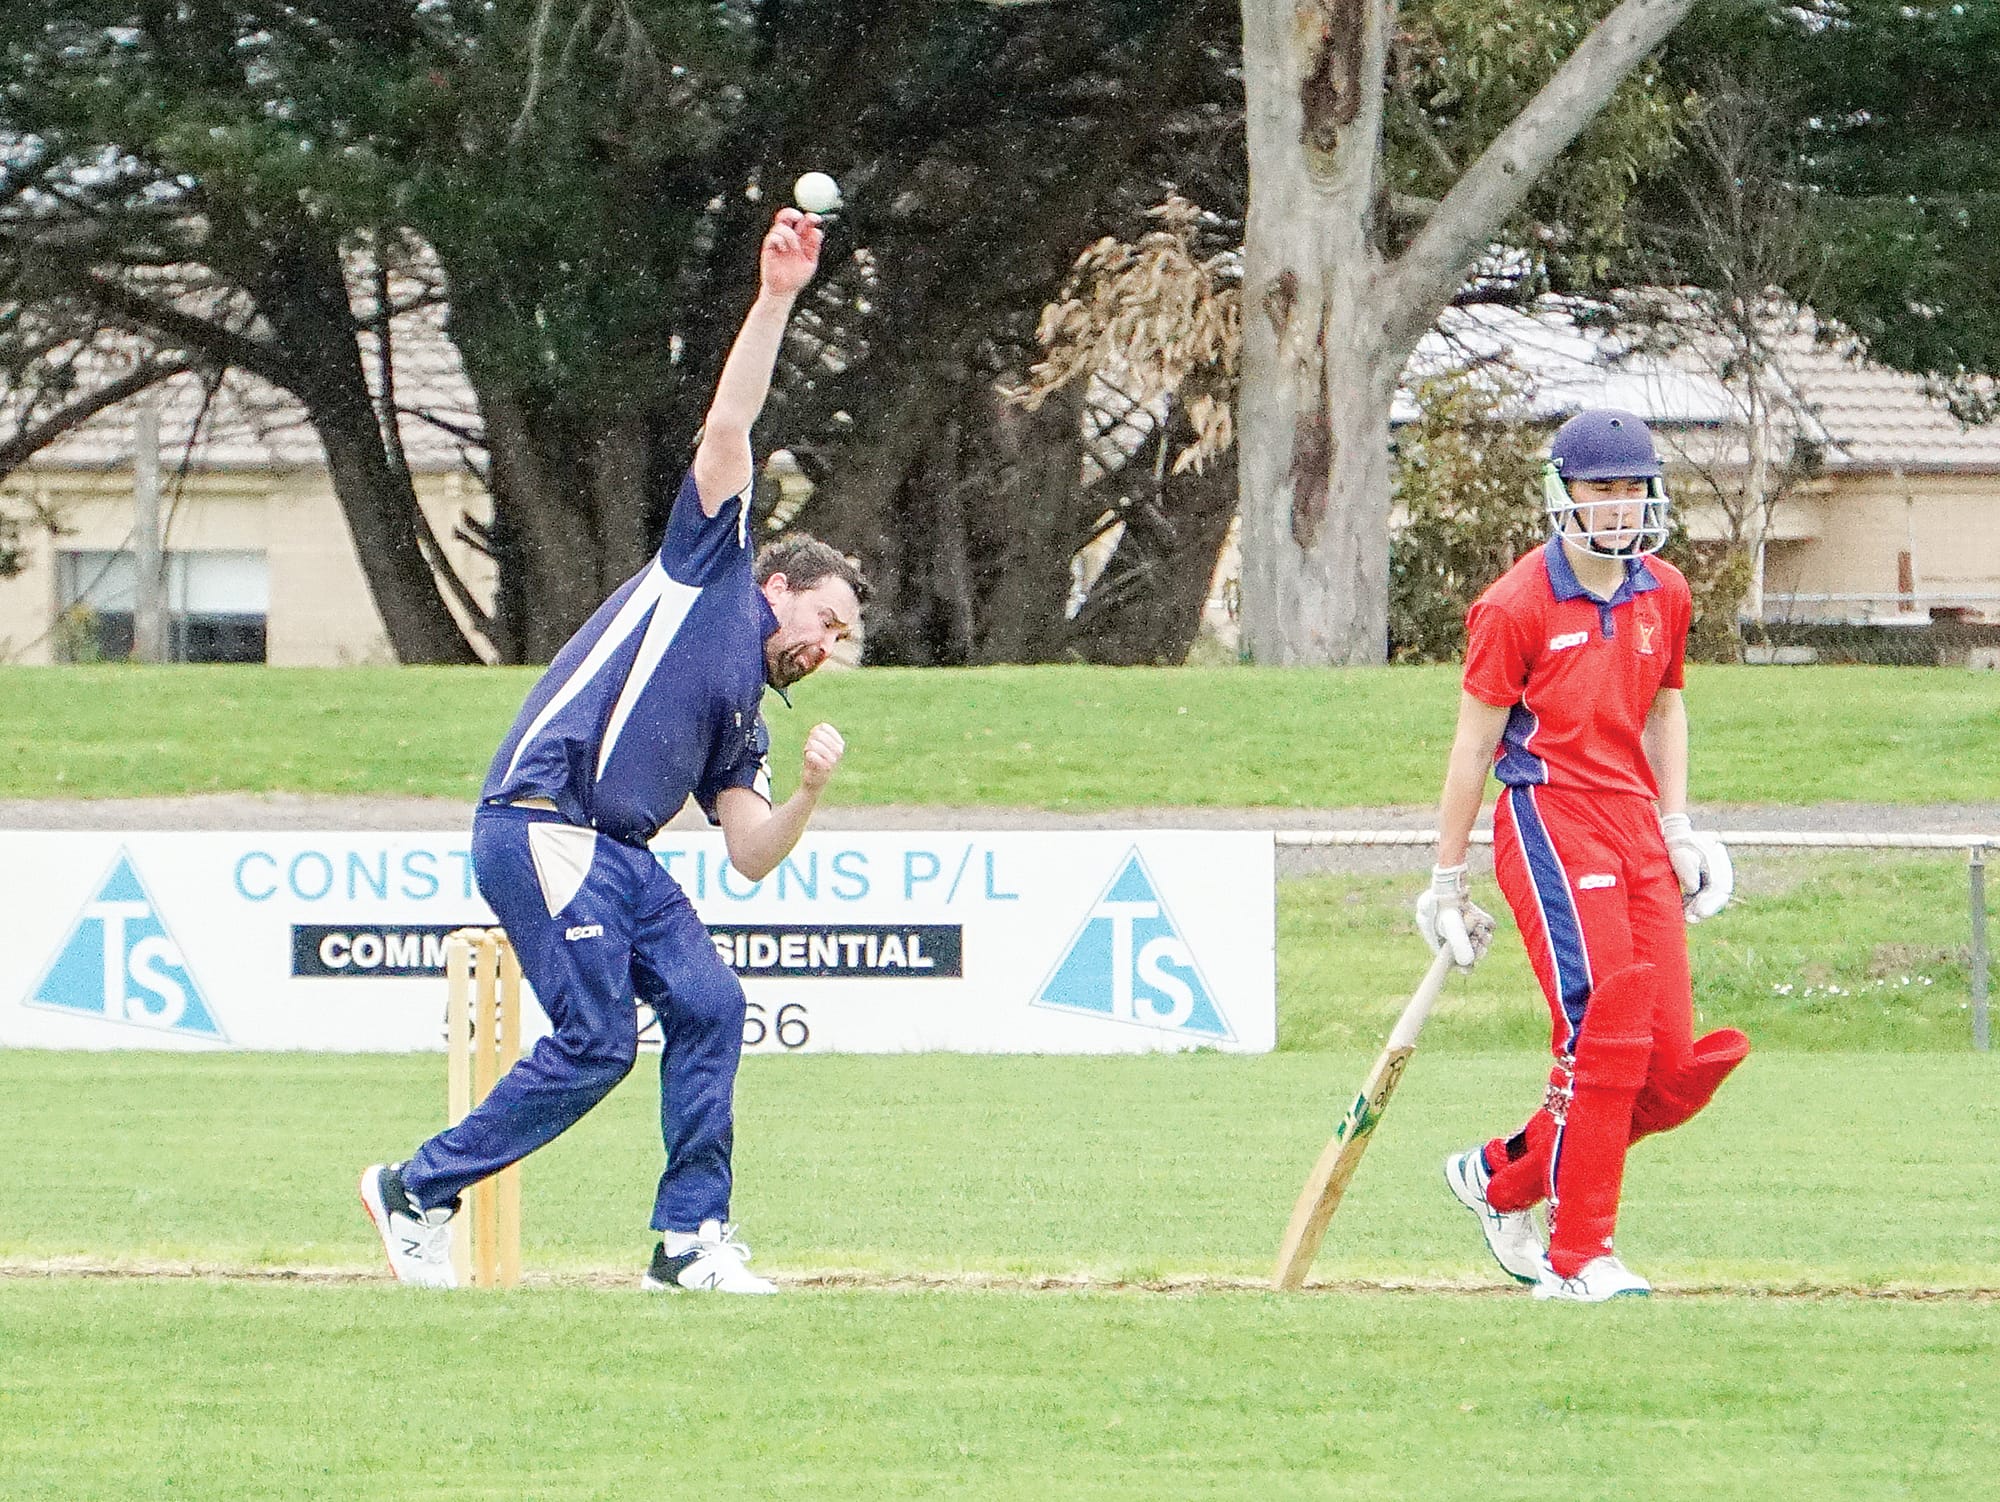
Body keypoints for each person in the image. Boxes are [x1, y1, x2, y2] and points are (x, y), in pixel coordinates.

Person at [362, 207, 866, 1294]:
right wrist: (776, 295)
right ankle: (415, 1189)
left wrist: (811, 792)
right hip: (542, 820)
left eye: (840, 640)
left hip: (616, 854)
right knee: (595, 1042)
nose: (826, 645)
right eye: (823, 619)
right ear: (776, 583)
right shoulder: (709, 575)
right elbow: (729, 428)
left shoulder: (744, 713)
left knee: (710, 1004)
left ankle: (687, 1242)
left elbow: (747, 854)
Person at [1415, 408, 1744, 1303]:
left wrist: (1677, 826)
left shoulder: (1664, 591)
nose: (1621, 507)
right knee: (1601, 1032)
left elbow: (1667, 708)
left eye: (1633, 488)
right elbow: (1472, 747)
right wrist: (1448, 879)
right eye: (1602, 490)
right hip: (1550, 818)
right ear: (1565, 496)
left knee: (1668, 1070)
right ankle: (1578, 1258)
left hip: (1634, 822)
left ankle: (1502, 1179)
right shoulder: (1515, 603)